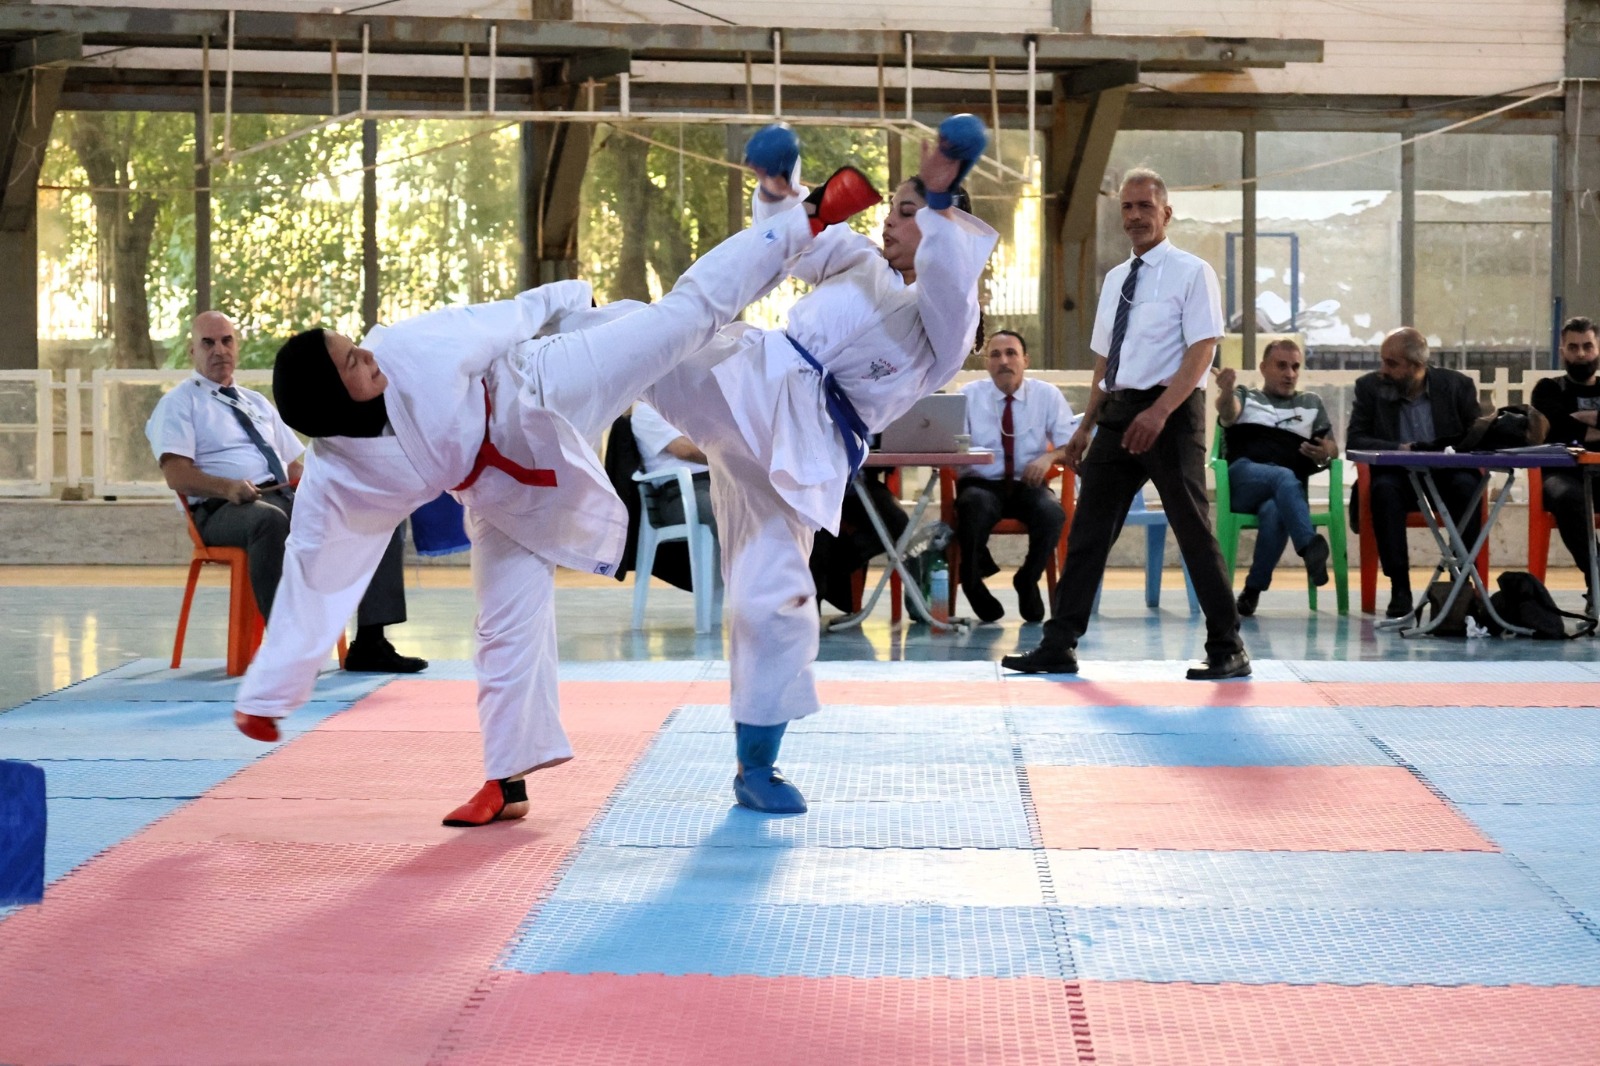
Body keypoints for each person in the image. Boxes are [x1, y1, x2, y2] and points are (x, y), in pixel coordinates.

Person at [230, 159, 884, 829]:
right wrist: (269, 694)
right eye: (351, 361)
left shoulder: (409, 351)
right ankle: (505, 780)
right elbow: (313, 571)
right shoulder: (339, 475)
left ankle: (806, 219)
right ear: (331, 402)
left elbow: (504, 319)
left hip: (541, 389)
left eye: (355, 347)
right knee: (501, 623)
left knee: (683, 318)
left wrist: (568, 300)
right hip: (496, 491)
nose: (367, 354)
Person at [642, 115, 996, 813]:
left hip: (803, 450)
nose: (891, 220)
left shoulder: (946, 326)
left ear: (943, 224)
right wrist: (781, 187)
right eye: (893, 208)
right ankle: (515, 376)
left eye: (907, 212)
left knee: (774, 602)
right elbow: (797, 243)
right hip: (749, 381)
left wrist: (939, 196)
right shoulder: (859, 260)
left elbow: (952, 277)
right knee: (642, 335)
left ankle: (756, 766)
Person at [1002, 167, 1248, 680]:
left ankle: (1228, 647)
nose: (1135, 216)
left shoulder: (1192, 272)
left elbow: (1202, 350)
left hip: (1171, 413)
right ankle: (1059, 643)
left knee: (1192, 529)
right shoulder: (1117, 279)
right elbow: (1105, 362)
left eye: (1145, 207)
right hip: (1118, 414)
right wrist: (1085, 427)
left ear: (1166, 213)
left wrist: (1159, 412)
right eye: (1127, 208)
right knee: (1088, 530)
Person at [145, 310, 426, 673]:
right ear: (192, 350)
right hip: (222, 509)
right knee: (269, 521)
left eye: (227, 341)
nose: (219, 350)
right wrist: (228, 488)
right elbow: (177, 475)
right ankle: (289, 648)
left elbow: (294, 467)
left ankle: (371, 642)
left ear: (236, 346)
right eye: (208, 343)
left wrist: (335, 489)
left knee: (376, 510)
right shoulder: (179, 404)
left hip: (283, 498)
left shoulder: (257, 403)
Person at [1346, 326, 1483, 618]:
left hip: (1446, 474)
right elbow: (1355, 440)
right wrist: (1401, 449)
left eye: (1391, 363)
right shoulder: (1370, 388)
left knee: (1469, 487)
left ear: (1417, 366)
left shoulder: (1458, 386)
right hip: (1398, 474)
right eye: (1382, 361)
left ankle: (1460, 582)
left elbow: (1478, 436)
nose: (1383, 370)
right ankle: (1399, 587)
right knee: (1383, 491)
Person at [954, 329, 1075, 623]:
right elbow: (952, 446)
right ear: (986, 363)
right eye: (995, 355)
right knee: (972, 506)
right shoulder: (968, 395)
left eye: (1011, 354)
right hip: (981, 484)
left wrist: (1048, 458)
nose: (1004, 361)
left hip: (1028, 484)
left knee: (1052, 513)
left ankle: (1027, 578)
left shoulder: (1047, 395)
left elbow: (1070, 445)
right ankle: (972, 581)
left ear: (1025, 360)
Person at [1214, 338, 1337, 616]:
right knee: (1283, 476)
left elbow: (1332, 448)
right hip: (1244, 478)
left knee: (1276, 512)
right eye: (1281, 366)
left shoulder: (1311, 403)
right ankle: (1308, 545)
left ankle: (1252, 591)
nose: (1290, 374)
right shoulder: (1246, 396)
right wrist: (1226, 391)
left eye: (1295, 367)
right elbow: (1228, 412)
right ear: (1263, 368)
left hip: (1285, 491)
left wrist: (1324, 452)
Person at [1529, 316, 1600, 598]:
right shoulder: (1548, 389)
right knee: (1569, 498)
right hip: (1562, 476)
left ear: (1597, 348)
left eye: (1587, 346)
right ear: (1562, 351)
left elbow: (1567, 427)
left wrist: (1580, 420)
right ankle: (1597, 578)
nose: (1581, 354)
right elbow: (1557, 429)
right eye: (1573, 347)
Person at [631, 400, 715, 534]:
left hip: (715, 483)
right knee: (723, 509)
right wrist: (729, 459)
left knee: (746, 502)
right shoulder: (646, 411)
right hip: (680, 494)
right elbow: (684, 450)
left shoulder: (692, 406)